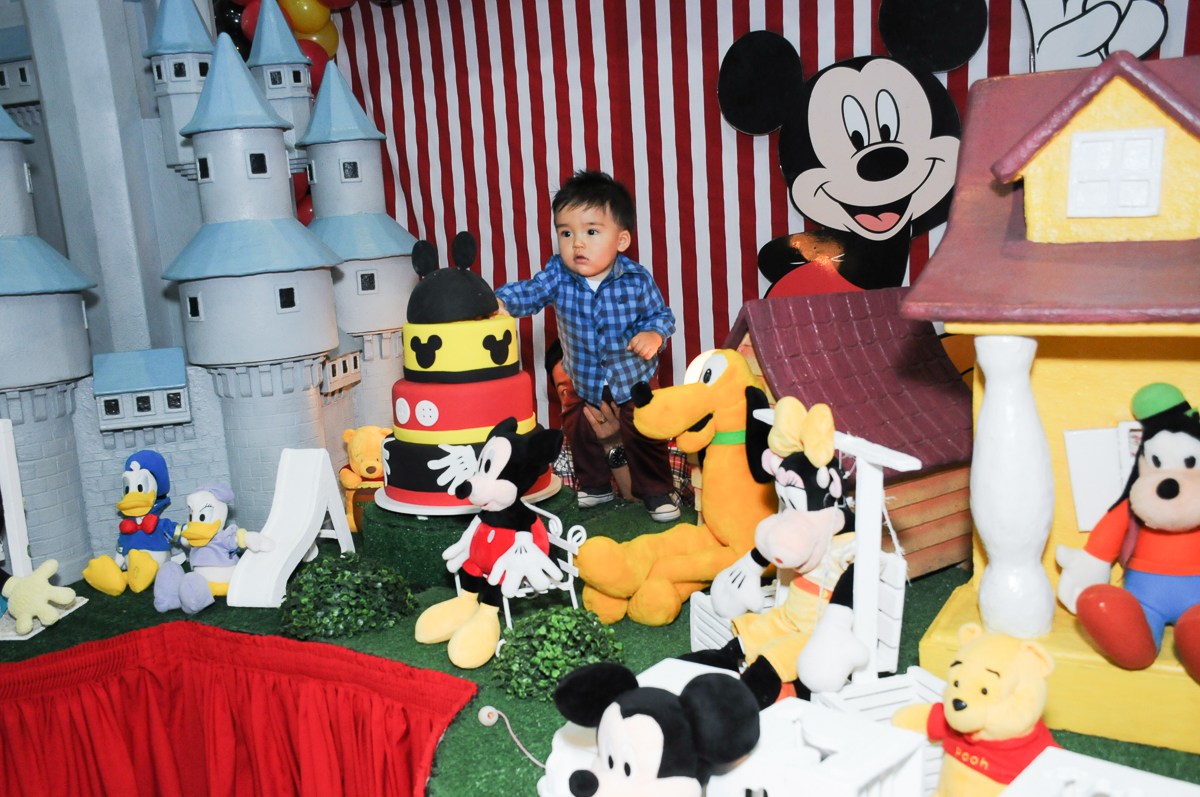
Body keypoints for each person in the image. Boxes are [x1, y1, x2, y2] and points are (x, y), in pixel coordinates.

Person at [496, 170, 679, 521]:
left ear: (621, 240)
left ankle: (657, 491)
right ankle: (595, 486)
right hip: (584, 378)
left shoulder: (636, 279)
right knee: (577, 429)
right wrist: (500, 302)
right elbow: (532, 292)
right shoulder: (558, 275)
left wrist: (654, 335)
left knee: (645, 431)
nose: (577, 243)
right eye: (566, 233)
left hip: (633, 377)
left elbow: (662, 315)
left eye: (591, 232)